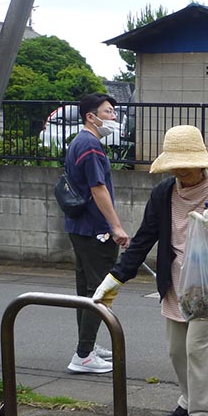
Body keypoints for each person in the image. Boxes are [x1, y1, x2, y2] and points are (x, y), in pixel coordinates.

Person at [92, 125, 208, 416]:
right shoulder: (164, 193)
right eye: (176, 164)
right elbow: (142, 240)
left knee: (196, 350)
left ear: (201, 162)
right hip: (175, 283)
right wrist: (115, 278)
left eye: (187, 163)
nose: (182, 170)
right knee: (177, 351)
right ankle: (187, 398)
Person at [64, 93, 130, 375]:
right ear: (91, 116)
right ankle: (83, 355)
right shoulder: (90, 145)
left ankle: (87, 347)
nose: (113, 117)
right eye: (108, 112)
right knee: (99, 290)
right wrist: (115, 226)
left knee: (85, 289)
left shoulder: (80, 142)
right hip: (95, 231)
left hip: (79, 228)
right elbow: (98, 188)